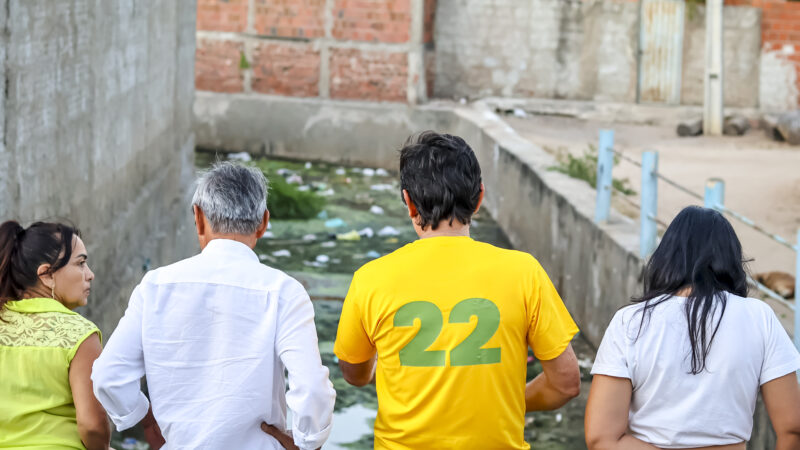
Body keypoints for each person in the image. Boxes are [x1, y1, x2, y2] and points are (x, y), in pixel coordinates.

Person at [334, 131, 582, 449]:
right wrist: (503, 400)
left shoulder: (371, 278)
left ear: (409, 203)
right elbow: (566, 384)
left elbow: (354, 373)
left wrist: (375, 368)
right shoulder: (524, 272)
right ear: (479, 197)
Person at [91, 161, 336, 449]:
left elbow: (108, 375)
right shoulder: (284, 292)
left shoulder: (155, 286)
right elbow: (311, 390)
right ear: (264, 223)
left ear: (198, 216)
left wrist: (146, 421)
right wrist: (309, 443)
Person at [585, 206, 800, 450]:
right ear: (731, 259)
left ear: (666, 257)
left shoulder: (630, 321)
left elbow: (601, 438)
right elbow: (792, 428)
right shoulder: (760, 317)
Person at [0, 221, 111, 449]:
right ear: (47, 275)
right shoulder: (79, 334)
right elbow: (92, 426)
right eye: (80, 263)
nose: (90, 275)